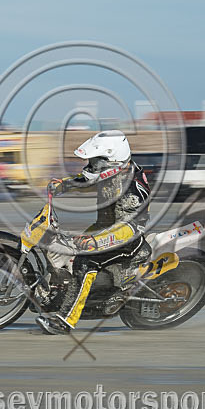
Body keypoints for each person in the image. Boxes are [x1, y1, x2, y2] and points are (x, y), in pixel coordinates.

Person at [36, 130, 151, 335]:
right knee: (64, 244)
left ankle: (65, 321)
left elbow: (130, 228)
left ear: (112, 160)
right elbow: (88, 179)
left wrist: (96, 242)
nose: (91, 166)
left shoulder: (132, 191)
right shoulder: (115, 170)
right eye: (92, 161)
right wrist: (64, 185)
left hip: (127, 241)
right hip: (104, 228)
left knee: (85, 263)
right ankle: (61, 291)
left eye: (96, 162)